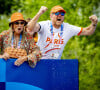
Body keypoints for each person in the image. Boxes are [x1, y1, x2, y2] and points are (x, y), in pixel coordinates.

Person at [27, 5, 98, 59]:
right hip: (40, 62)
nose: (60, 15)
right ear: (51, 16)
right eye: (57, 13)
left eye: (62, 14)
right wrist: (39, 13)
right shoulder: (44, 25)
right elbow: (30, 28)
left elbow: (88, 31)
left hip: (56, 64)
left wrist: (94, 24)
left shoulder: (68, 28)